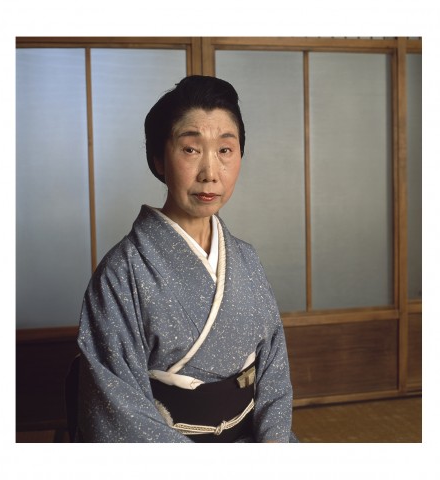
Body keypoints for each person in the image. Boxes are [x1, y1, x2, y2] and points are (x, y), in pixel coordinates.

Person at [76, 75, 297, 442]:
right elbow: (117, 407)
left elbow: (274, 371)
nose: (211, 173)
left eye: (225, 150)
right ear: (159, 159)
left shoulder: (245, 258)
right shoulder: (121, 273)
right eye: (191, 149)